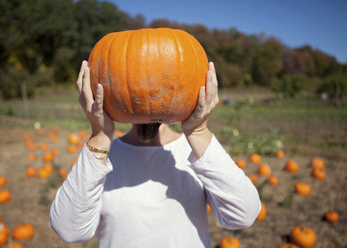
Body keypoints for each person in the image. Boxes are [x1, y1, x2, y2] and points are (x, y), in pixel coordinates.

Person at [49, 60, 261, 248]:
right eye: (137, 82)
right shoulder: (100, 159)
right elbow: (70, 230)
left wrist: (198, 131)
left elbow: (242, 216)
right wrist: (100, 135)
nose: (149, 91)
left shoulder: (198, 153)